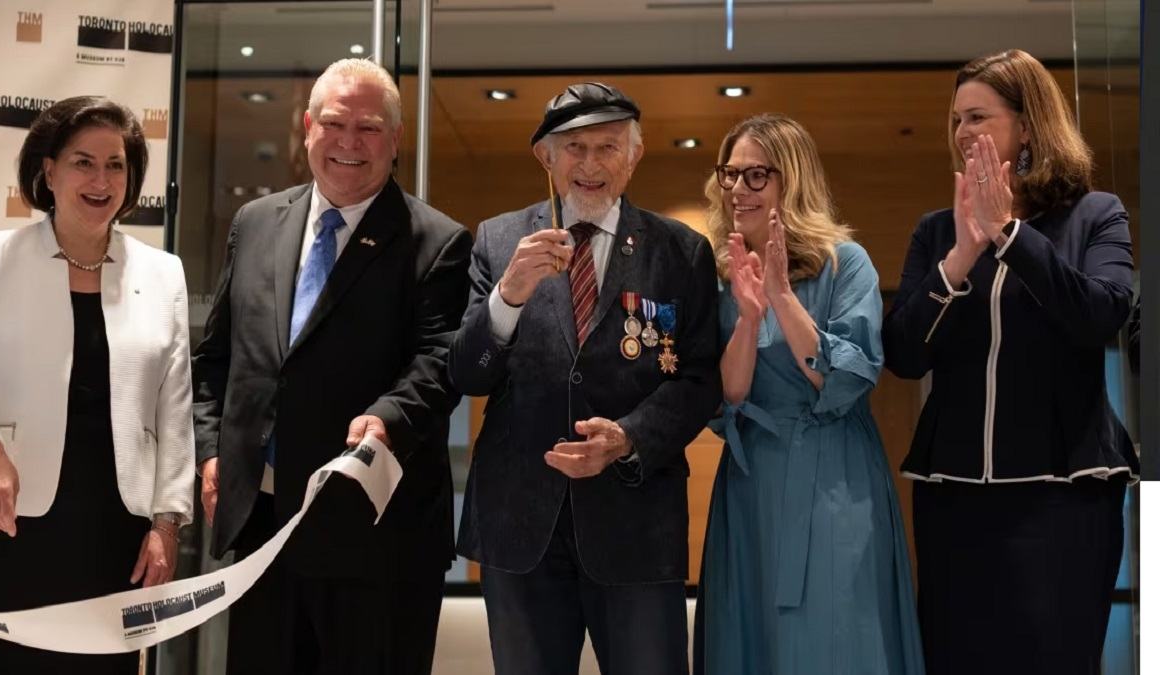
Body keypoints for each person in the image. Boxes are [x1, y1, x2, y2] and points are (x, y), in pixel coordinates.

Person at [191, 58, 472, 675]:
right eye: (336, 124)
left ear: (395, 141)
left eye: (369, 129)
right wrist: (211, 450)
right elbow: (218, 356)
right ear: (307, 127)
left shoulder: (438, 241)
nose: (350, 142)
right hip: (261, 523)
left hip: (374, 536)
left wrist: (384, 418)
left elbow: (439, 364)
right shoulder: (256, 222)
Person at [449, 82, 721, 675]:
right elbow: (466, 374)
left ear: (635, 155)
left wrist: (628, 437)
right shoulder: (498, 241)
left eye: (607, 147)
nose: (591, 164)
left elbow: (699, 379)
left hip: (636, 522)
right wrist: (508, 297)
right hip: (520, 525)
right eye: (574, 147)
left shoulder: (681, 252)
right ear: (545, 157)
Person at [882, 49, 1136, 674]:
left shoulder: (1095, 215)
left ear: (1027, 127)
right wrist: (963, 255)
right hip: (956, 500)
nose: (964, 132)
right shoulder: (936, 231)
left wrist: (1011, 236)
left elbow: (1102, 316)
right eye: (955, 120)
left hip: (1063, 497)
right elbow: (904, 355)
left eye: (979, 117)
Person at [0, 96, 193, 674]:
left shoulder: (164, 274)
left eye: (115, 164)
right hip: (15, 522)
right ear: (49, 171)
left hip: (118, 526)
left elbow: (175, 410)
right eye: (82, 162)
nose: (100, 179)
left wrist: (167, 522)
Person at [693, 113, 924, 675]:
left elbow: (848, 377)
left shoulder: (847, 263)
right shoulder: (716, 276)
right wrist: (748, 318)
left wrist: (781, 296)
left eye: (756, 176)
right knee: (749, 634)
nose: (739, 190)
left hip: (833, 478)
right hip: (751, 482)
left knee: (835, 632)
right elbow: (726, 396)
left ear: (790, 181)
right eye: (731, 174)